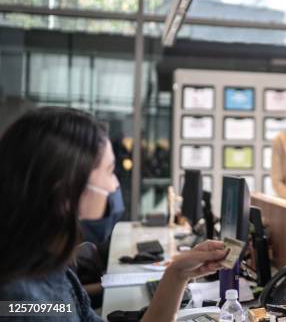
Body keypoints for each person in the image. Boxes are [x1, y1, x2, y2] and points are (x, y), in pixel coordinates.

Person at [0, 107, 228, 321]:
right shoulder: (22, 301)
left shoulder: (52, 273)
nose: (115, 185)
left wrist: (178, 274)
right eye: (110, 172)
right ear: (65, 195)